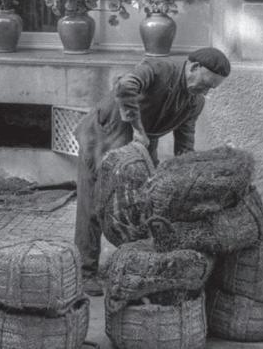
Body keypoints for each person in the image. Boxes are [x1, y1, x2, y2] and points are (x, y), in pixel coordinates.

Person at [74, 47, 231, 296]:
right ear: (193, 67)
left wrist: (186, 178)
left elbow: (185, 143)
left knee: (142, 203)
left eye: (211, 89)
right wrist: (137, 127)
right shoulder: (160, 68)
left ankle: (130, 264)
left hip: (143, 142)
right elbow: (125, 86)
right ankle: (85, 272)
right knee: (96, 202)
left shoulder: (194, 102)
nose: (206, 92)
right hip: (108, 132)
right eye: (205, 85)